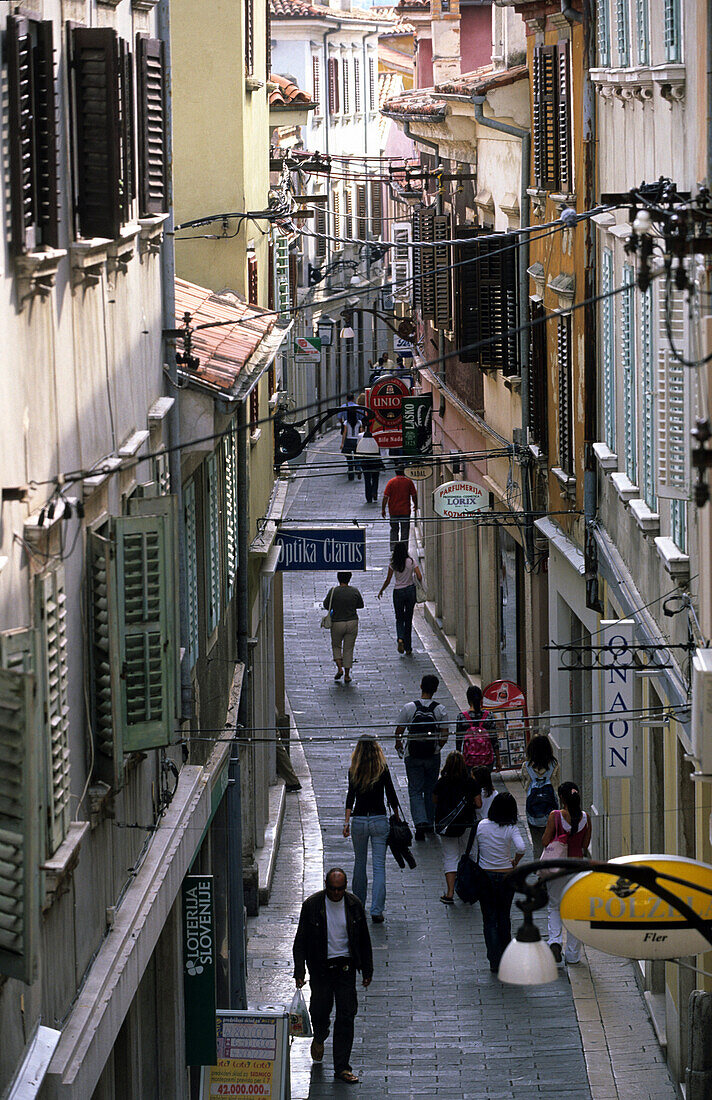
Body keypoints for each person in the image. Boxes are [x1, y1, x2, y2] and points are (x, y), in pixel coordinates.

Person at [293, 868, 373, 1084]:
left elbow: (364, 939)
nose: (336, 893)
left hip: (346, 967)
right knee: (319, 1009)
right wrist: (299, 972)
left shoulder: (354, 905)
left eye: (340, 889)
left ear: (345, 888)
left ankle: (342, 1067)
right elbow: (300, 941)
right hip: (320, 968)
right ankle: (319, 1035)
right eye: (332, 889)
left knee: (346, 1015)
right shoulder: (312, 906)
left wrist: (367, 969)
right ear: (326, 886)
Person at [343, 736, 399, 923]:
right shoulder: (382, 769)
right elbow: (391, 794)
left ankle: (359, 905)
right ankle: (377, 910)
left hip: (359, 820)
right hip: (379, 819)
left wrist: (346, 823)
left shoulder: (354, 770)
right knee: (379, 867)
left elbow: (350, 797)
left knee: (359, 863)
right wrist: (397, 816)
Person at [472, 792, 526, 972]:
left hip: (485, 876)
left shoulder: (481, 825)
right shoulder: (511, 828)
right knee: (504, 916)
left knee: (489, 919)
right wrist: (515, 861)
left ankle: (494, 959)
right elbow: (521, 847)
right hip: (505, 876)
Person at [394, 673, 448, 841]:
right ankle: (430, 822)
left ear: (421, 687)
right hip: (432, 755)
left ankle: (419, 823)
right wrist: (437, 748)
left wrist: (399, 745)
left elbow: (399, 732)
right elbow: (444, 735)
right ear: (436, 689)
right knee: (431, 789)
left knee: (415, 790)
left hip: (413, 755)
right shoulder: (440, 710)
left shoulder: (409, 707)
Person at [543, 782, 591, 965]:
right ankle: (572, 954)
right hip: (577, 868)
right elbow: (585, 845)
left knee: (554, 906)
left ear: (561, 798)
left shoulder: (555, 816)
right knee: (574, 910)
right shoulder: (586, 818)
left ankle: (555, 941)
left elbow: (546, 840)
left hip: (557, 868)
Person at [433, 751, 481, 905]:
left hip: (447, 827)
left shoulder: (441, 782)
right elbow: (479, 803)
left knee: (450, 857)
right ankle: (469, 889)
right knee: (469, 854)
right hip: (466, 825)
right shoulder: (470, 782)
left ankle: (450, 892)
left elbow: (434, 800)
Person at [376, 541, 422, 655]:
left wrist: (381, 590)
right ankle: (408, 647)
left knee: (399, 618)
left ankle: (400, 638)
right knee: (408, 619)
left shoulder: (393, 563)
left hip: (398, 592)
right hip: (410, 591)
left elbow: (388, 579)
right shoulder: (411, 561)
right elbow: (419, 576)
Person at [521, 735, 560, 859]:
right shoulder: (555, 765)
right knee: (552, 841)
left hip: (533, 810)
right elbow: (557, 784)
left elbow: (525, 786)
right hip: (551, 810)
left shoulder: (526, 766)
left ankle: (538, 869)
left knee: (537, 843)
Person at [323, 572, 364, 683]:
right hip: (352, 621)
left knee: (336, 646)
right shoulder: (354, 591)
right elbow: (361, 605)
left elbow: (326, 605)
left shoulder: (333, 591)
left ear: (338, 578)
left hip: (337, 623)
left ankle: (339, 668)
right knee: (348, 649)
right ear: (350, 578)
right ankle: (347, 675)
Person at [456, 685, 501, 771]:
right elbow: (494, 739)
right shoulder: (489, 716)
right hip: (487, 760)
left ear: (468, 700)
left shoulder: (462, 717)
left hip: (469, 760)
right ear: (481, 699)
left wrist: (458, 762)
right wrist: (498, 759)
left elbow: (458, 741)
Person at [382, 465, 417, 551]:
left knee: (394, 530)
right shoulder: (409, 482)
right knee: (405, 530)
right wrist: (416, 504)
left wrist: (383, 509)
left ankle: (394, 548)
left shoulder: (391, 482)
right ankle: (404, 549)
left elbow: (385, 497)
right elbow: (414, 495)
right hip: (405, 511)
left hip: (393, 511)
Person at [355, 423, 383, 503]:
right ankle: (374, 492)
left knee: (367, 480)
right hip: (375, 463)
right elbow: (379, 452)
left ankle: (368, 497)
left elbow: (358, 452)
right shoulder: (375, 440)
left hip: (365, 463)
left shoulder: (362, 441)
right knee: (375, 478)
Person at [341, 406, 362, 481]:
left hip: (348, 441)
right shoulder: (359, 422)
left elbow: (344, 433)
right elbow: (360, 432)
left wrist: (342, 443)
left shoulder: (346, 422)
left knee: (349, 459)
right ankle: (358, 469)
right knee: (358, 456)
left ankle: (351, 474)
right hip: (357, 441)